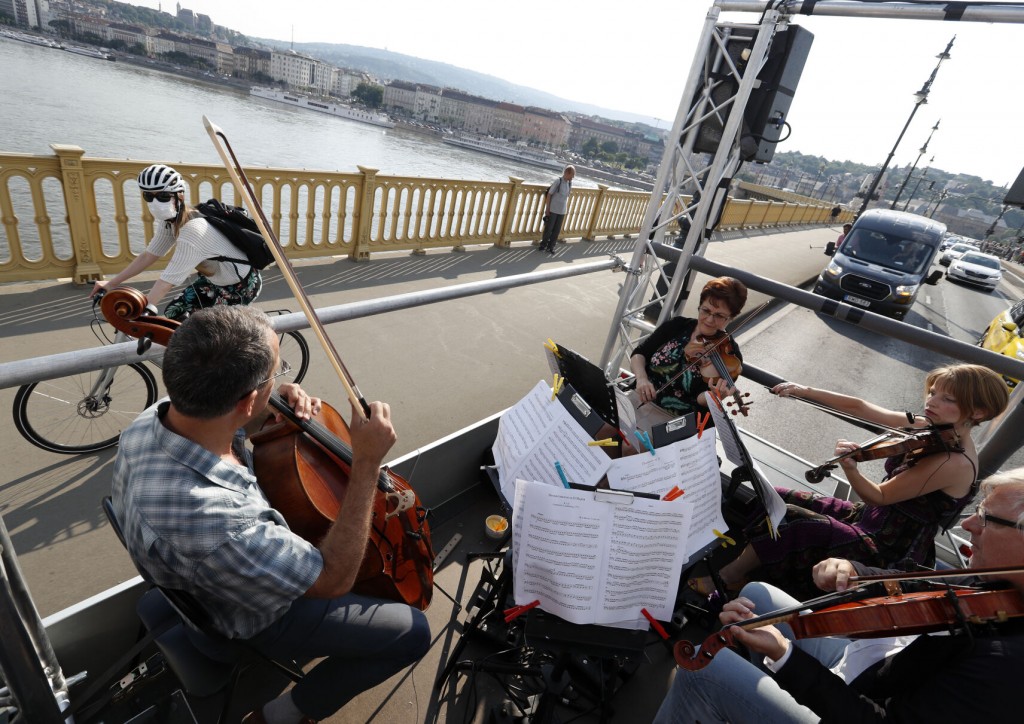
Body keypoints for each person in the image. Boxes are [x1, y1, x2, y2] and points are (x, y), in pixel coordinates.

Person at [111, 305, 430, 724]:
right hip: (247, 622)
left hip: (195, 585)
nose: (280, 383)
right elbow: (332, 579)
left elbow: (233, 412)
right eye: (276, 377)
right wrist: (367, 465)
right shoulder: (227, 524)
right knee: (412, 633)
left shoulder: (150, 421)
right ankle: (282, 714)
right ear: (244, 402)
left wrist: (276, 398)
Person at [654, 467, 1024, 723]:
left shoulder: (1006, 664)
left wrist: (784, 657)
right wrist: (855, 572)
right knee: (758, 593)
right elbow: (916, 582)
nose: (967, 525)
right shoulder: (997, 584)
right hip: (879, 669)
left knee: (704, 672)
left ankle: (726, 696)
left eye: (988, 519)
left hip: (861, 703)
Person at [699, 364, 1008, 600]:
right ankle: (753, 571)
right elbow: (862, 407)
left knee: (795, 519)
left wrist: (851, 468)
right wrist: (803, 390)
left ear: (977, 411)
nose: (932, 401)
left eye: (947, 398)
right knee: (777, 497)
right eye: (932, 392)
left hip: (888, 546)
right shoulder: (931, 425)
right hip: (867, 518)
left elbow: (879, 496)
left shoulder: (953, 462)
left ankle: (727, 577)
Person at [91, 164, 261, 320]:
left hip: (240, 287)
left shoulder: (193, 230)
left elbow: (168, 280)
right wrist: (111, 283)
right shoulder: (170, 222)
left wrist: (145, 308)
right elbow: (148, 256)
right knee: (174, 313)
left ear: (179, 196)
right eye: (148, 196)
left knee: (210, 333)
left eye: (164, 196)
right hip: (214, 282)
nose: (155, 202)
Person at [629, 276, 747, 431]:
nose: (710, 319)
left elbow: (700, 399)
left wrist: (714, 396)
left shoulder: (730, 357)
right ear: (700, 306)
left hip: (676, 421)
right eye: (706, 310)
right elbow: (640, 353)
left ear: (731, 318)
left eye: (719, 315)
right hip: (640, 399)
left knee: (630, 445)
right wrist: (642, 379)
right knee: (604, 428)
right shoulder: (677, 325)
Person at [539, 165, 575, 254]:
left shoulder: (569, 183)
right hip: (553, 209)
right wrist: (547, 209)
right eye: (572, 175)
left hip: (562, 211)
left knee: (556, 231)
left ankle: (551, 247)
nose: (573, 177)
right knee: (549, 229)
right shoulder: (558, 181)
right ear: (567, 173)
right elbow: (549, 194)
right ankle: (543, 245)